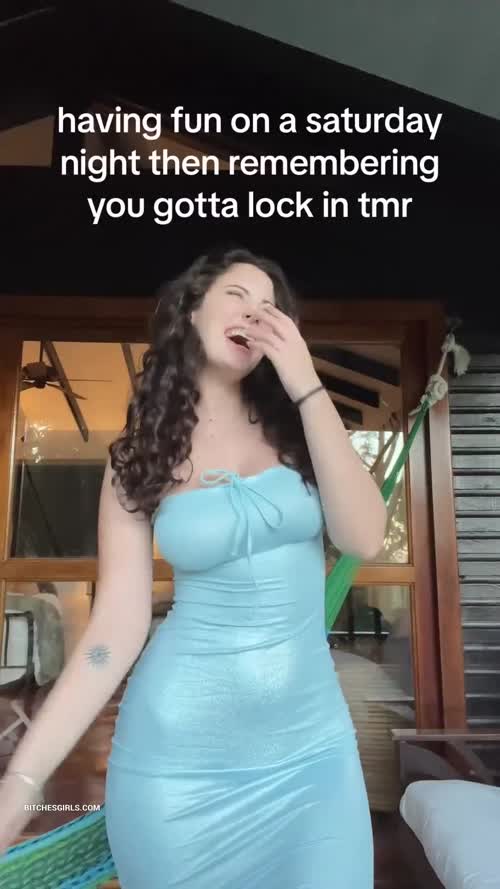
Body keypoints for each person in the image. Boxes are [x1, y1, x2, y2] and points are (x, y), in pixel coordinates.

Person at [0, 246, 387, 887]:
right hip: (176, 766)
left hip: (313, 756)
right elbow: (112, 634)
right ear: (190, 312)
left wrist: (308, 385)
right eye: (237, 295)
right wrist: (24, 777)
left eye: (269, 307)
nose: (254, 312)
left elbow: (364, 537)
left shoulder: (306, 430)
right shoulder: (139, 456)